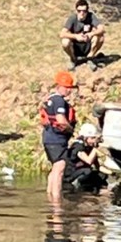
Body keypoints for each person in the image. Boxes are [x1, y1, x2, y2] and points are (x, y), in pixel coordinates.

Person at [42, 70, 77, 201]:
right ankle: (57, 201)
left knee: (55, 168)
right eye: (67, 87)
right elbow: (61, 120)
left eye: (70, 88)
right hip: (56, 140)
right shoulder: (59, 101)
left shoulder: (50, 99)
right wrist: (71, 130)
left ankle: (50, 197)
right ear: (59, 86)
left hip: (49, 138)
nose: (69, 90)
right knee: (60, 167)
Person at [60, 0, 106, 69]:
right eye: (79, 11)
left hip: (87, 44)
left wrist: (91, 34)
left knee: (101, 37)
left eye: (84, 11)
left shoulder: (91, 16)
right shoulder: (72, 18)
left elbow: (102, 29)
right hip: (76, 46)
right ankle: (73, 60)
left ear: (87, 11)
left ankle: (90, 58)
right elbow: (62, 34)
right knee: (65, 42)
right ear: (76, 11)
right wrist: (76, 36)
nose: (82, 13)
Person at [66, 122, 107, 192]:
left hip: (83, 172)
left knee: (101, 175)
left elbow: (97, 166)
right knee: (88, 171)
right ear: (85, 138)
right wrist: (95, 149)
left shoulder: (89, 148)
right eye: (92, 138)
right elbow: (89, 161)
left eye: (95, 138)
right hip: (72, 173)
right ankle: (75, 185)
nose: (94, 140)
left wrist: (112, 173)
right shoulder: (77, 147)